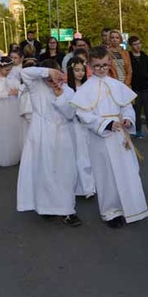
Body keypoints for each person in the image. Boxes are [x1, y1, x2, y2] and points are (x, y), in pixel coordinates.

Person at [70, 46, 148, 228]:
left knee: (128, 170)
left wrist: (128, 119)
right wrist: (105, 124)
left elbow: (127, 106)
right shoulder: (85, 90)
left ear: (110, 63)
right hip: (101, 138)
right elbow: (83, 115)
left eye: (105, 65)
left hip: (120, 136)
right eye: (97, 66)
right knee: (106, 175)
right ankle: (111, 211)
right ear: (89, 64)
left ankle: (131, 206)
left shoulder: (116, 85)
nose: (101, 69)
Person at [16, 60, 82, 227]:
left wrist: (60, 96)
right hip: (41, 133)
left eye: (56, 76)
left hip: (62, 134)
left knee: (65, 172)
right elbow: (25, 73)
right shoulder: (36, 86)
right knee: (44, 171)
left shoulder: (68, 90)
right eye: (50, 78)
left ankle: (68, 210)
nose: (53, 82)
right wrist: (47, 72)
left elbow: (70, 113)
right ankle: (46, 206)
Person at [66, 56, 96, 199]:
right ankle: (78, 186)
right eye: (76, 70)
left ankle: (89, 186)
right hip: (73, 126)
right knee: (77, 155)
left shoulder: (87, 87)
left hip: (86, 126)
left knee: (88, 155)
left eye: (82, 70)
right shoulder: (66, 89)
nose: (80, 73)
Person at [128, 35, 148, 139]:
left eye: (139, 43)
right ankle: (138, 130)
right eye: (135, 44)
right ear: (131, 46)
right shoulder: (129, 57)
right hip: (134, 88)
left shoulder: (145, 58)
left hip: (145, 88)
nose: (138, 46)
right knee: (136, 111)